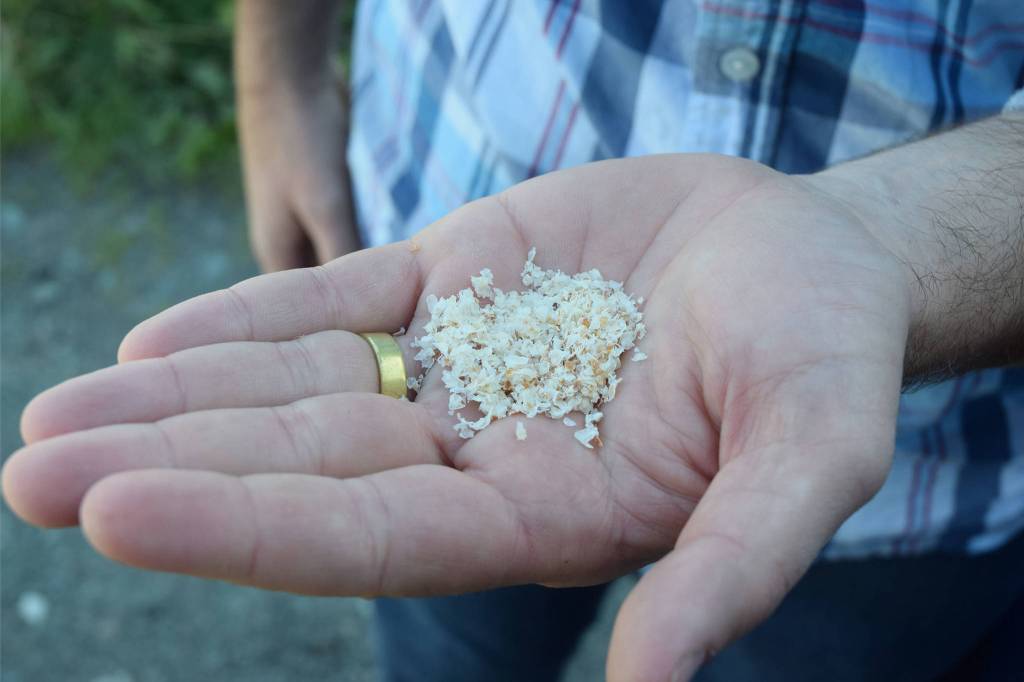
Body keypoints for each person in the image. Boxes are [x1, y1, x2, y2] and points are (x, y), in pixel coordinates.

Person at [3, 1, 1023, 680]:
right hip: (447, 201)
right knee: (447, 632)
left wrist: (893, 238)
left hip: (919, 471)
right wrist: (278, 77)